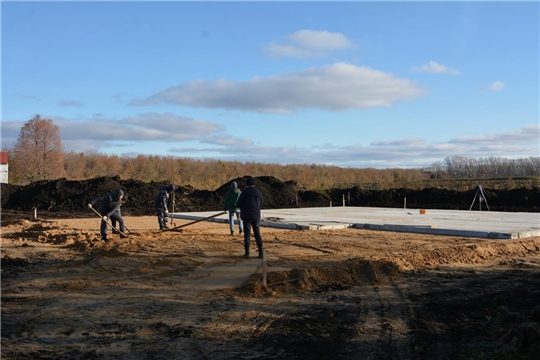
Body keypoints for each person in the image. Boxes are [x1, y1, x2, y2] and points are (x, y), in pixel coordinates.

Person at [237, 177, 264, 259]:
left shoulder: (244, 192)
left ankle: (247, 253)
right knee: (257, 234)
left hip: (246, 216)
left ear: (247, 185)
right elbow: (262, 203)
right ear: (254, 184)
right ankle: (261, 253)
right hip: (256, 216)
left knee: (247, 234)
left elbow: (238, 203)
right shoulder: (258, 192)